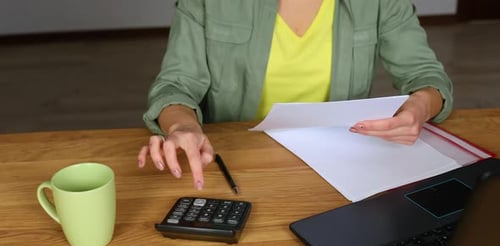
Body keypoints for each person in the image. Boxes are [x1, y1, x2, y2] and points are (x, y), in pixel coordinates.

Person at [137, 0, 453, 191]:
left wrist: (419, 107)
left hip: (339, 169)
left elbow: (427, 76)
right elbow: (176, 84)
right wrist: (182, 127)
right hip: (233, 165)